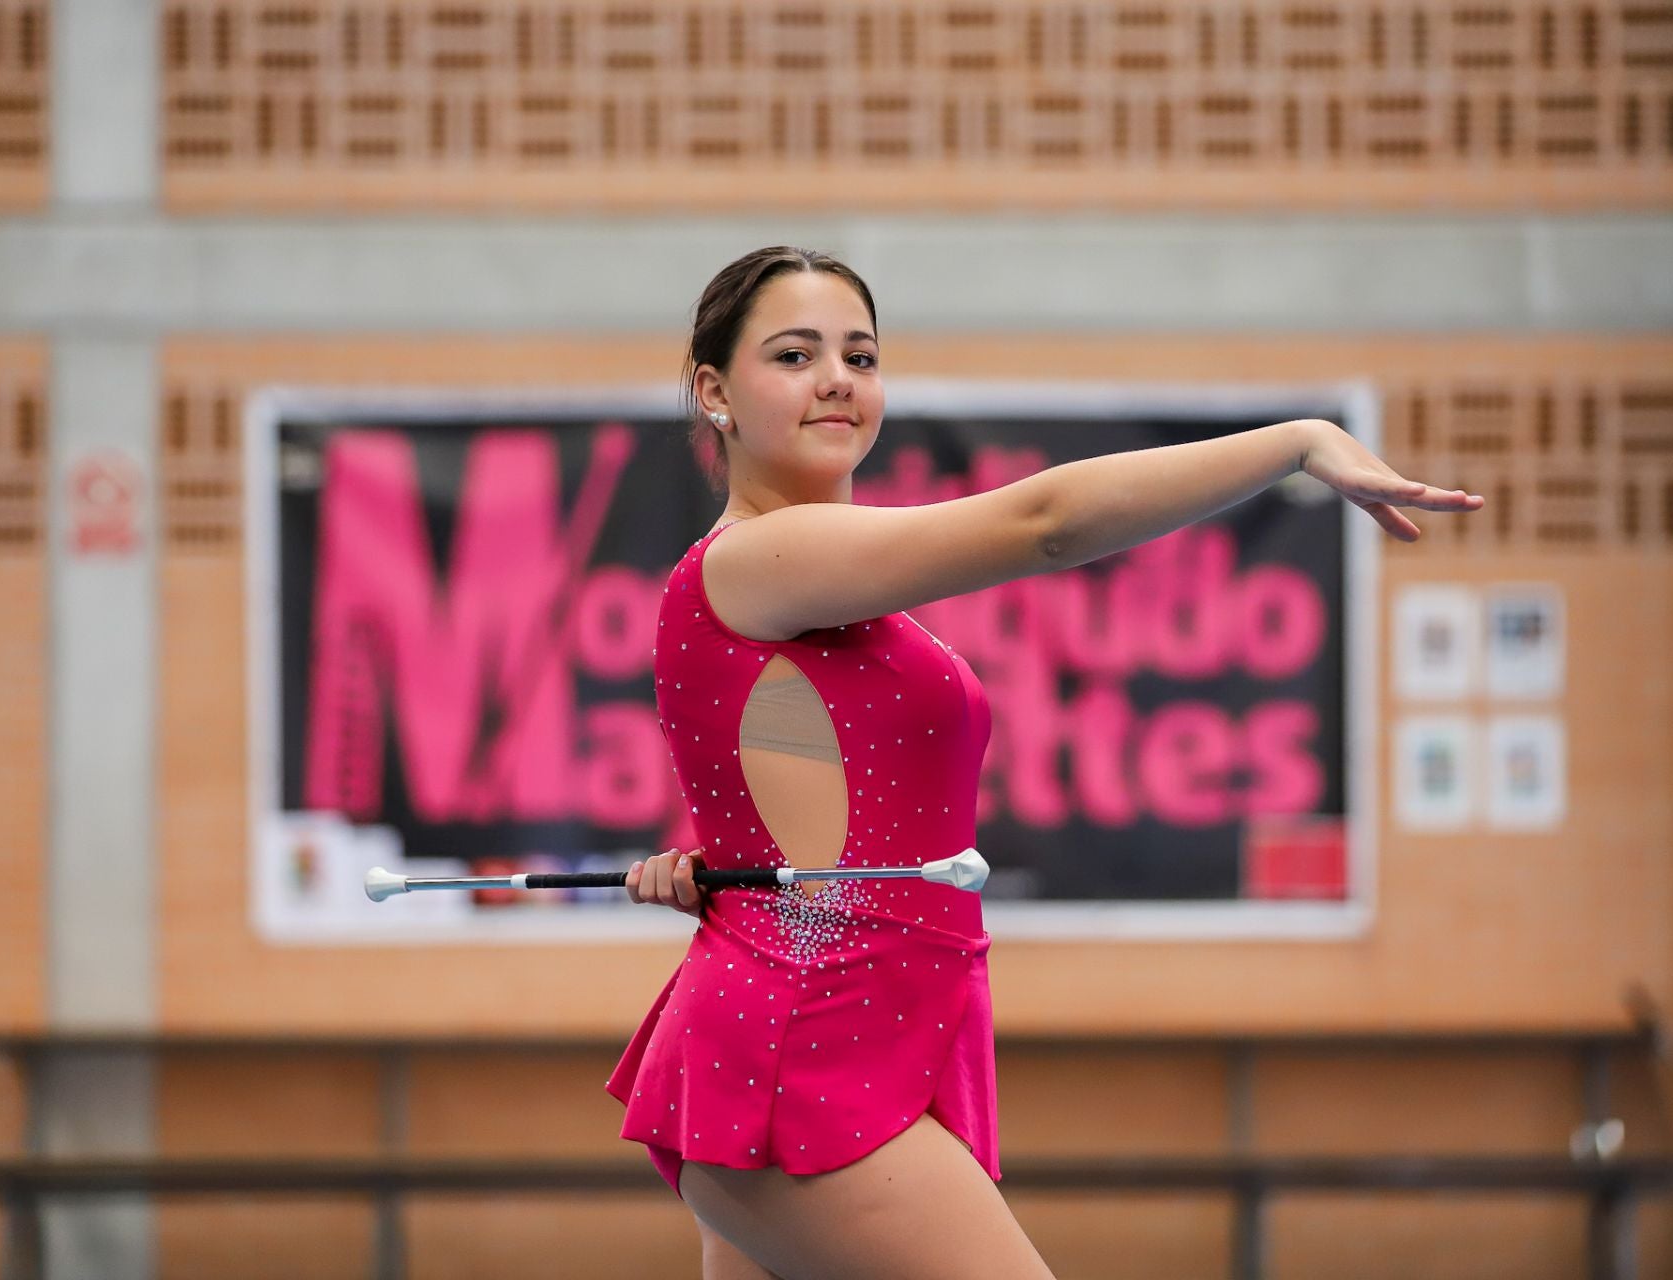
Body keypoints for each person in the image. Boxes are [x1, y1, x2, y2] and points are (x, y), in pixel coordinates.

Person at [608, 247, 1483, 1279]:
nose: (838, 377)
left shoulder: (814, 587)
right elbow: (1047, 525)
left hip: (843, 1016)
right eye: (795, 355)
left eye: (861, 352)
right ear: (714, 391)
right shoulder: (757, 557)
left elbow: (790, 780)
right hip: (810, 1047)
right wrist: (1293, 444)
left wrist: (722, 863)